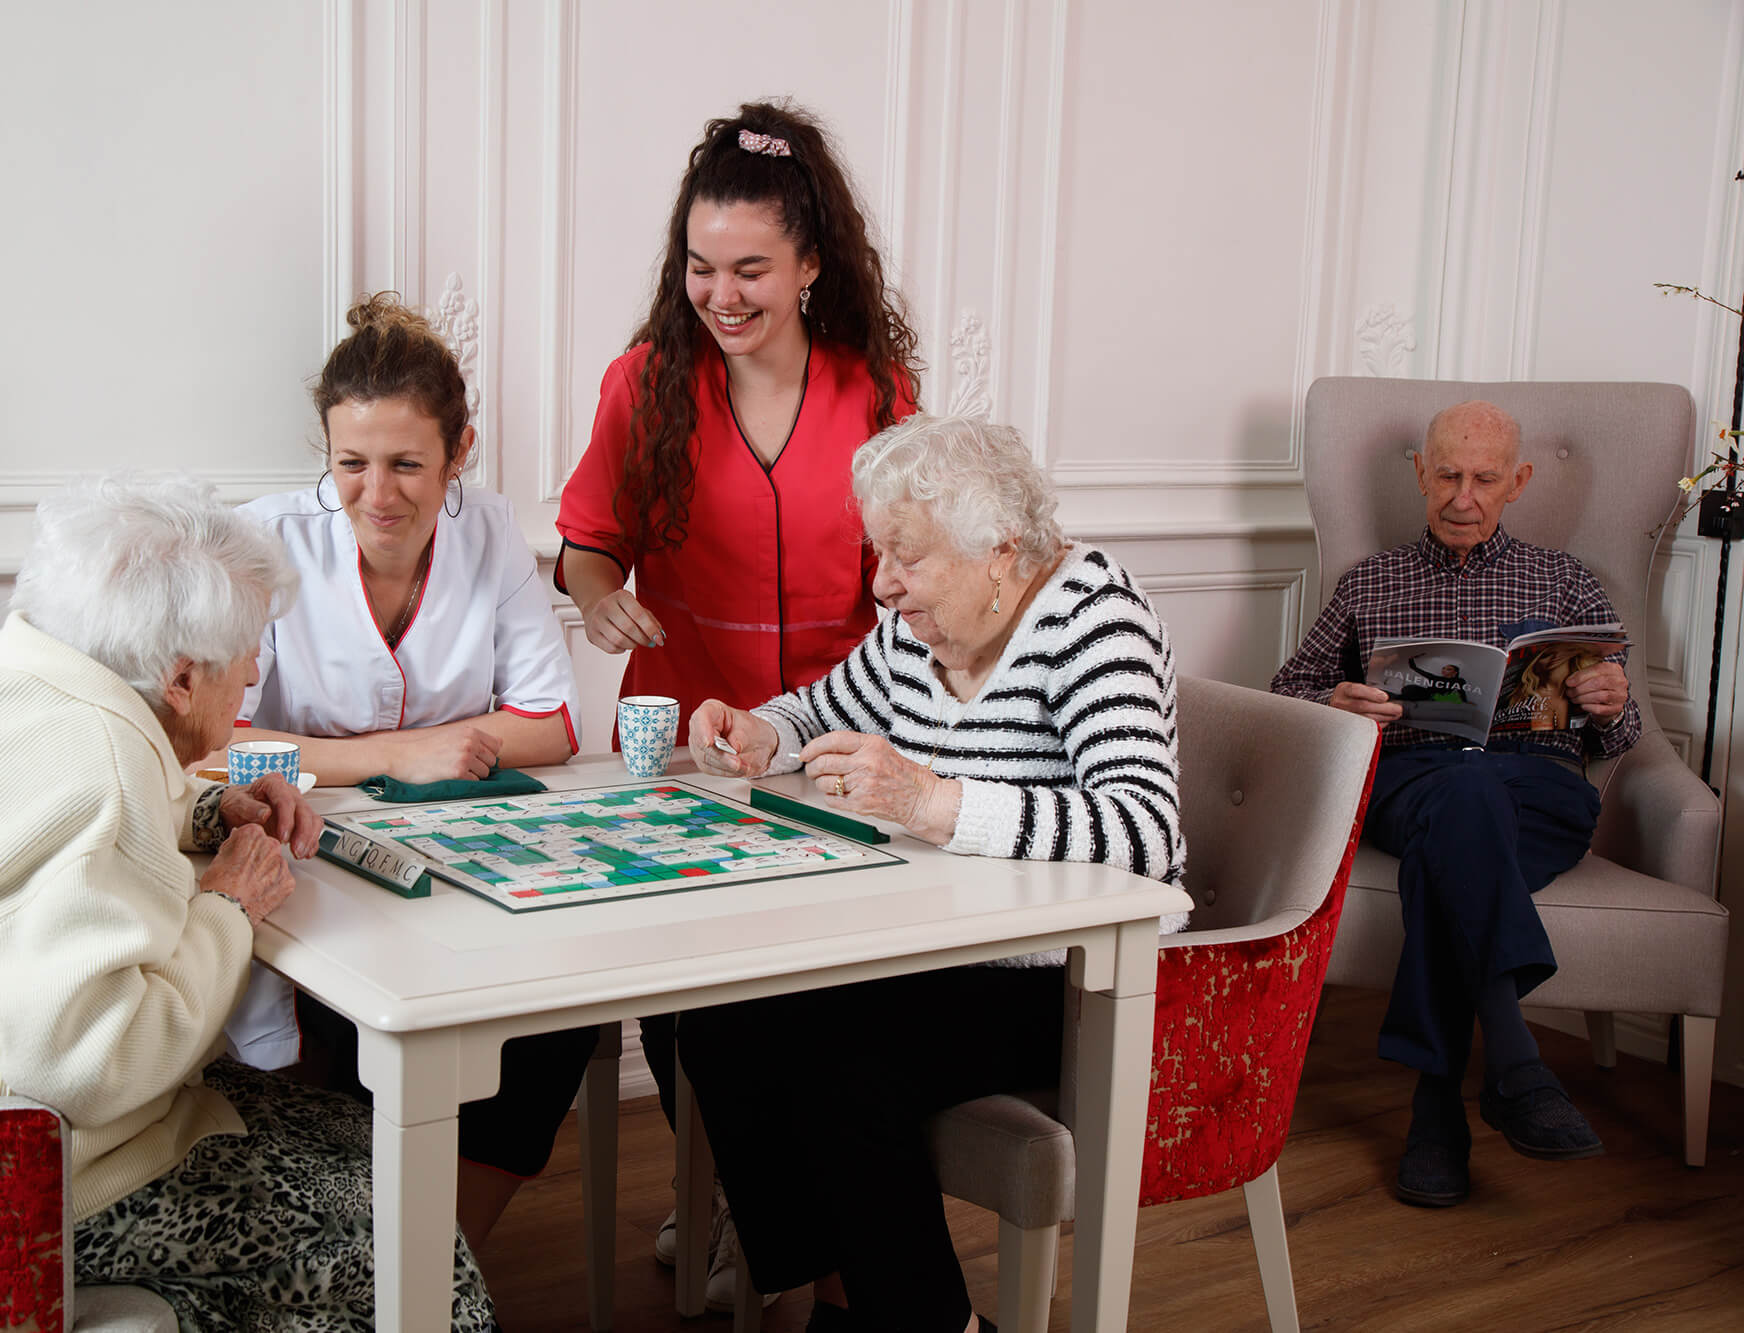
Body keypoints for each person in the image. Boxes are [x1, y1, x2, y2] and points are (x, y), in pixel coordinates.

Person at [0, 474, 496, 1330]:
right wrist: (228, 906)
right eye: (249, 652)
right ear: (183, 678)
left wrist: (207, 810)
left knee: (371, 1141)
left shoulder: (21, 678)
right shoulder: (91, 758)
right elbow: (98, 1066)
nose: (258, 671)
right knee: (415, 1250)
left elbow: (47, 850)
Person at [674, 414, 1187, 1333]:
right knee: (717, 1003)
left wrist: (932, 802)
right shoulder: (920, 627)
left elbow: (1145, 835)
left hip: (1064, 980)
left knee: (838, 1048)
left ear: (1000, 550)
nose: (882, 583)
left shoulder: (1092, 619)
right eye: (879, 552)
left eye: (904, 557)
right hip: (939, 953)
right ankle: (834, 1291)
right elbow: (823, 704)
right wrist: (764, 732)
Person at [554, 100, 922, 1300]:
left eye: (751, 268)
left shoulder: (878, 397)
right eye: (700, 266)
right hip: (681, 745)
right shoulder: (642, 384)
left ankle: (793, 1226)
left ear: (812, 262)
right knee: (682, 1004)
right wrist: (602, 597)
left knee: (813, 1005)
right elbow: (585, 547)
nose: (722, 293)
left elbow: (914, 567)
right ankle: (722, 1202)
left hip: (830, 744)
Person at [221, 293, 596, 1256]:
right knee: (357, 1029)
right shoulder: (261, 543)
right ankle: (386, 1268)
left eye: (407, 464)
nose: (377, 494)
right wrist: (403, 752)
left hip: (461, 856)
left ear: (458, 452)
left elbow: (552, 724)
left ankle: (432, 1268)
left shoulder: (492, 530)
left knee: (554, 1019)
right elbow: (216, 741)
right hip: (303, 863)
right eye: (351, 463)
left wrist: (436, 746)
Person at [1270, 399, 1635, 1209]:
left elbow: (1625, 727)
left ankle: (1438, 1111)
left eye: (1484, 479)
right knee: (1461, 794)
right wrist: (1336, 700)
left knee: (1455, 843)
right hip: (1413, 779)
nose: (1462, 497)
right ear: (1419, 473)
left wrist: (1610, 700)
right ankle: (1511, 1066)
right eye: (1446, 475)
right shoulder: (1371, 580)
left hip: (1539, 792)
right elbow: (1285, 690)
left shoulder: (1566, 580)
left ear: (1519, 482)